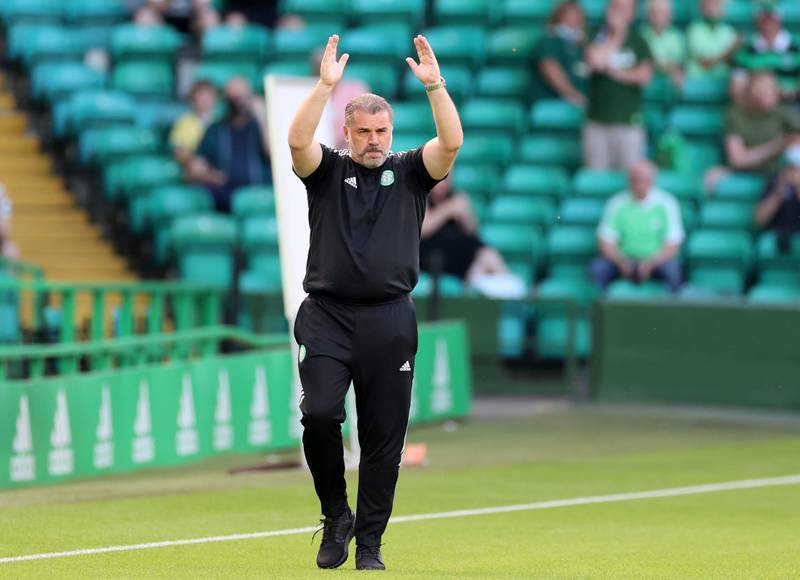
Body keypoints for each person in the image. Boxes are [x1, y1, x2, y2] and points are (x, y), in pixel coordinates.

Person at [287, 34, 462, 571]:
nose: (373, 140)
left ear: (391, 130)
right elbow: (296, 143)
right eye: (363, 132)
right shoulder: (327, 172)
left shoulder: (410, 171)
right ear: (347, 131)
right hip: (327, 317)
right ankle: (335, 515)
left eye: (381, 131)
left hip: (390, 320)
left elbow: (450, 143)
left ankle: (370, 545)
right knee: (319, 415)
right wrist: (323, 87)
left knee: (383, 440)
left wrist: (435, 86)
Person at [591, 160, 684, 293]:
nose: (639, 184)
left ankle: (674, 309)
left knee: (673, 270)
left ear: (652, 180)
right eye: (635, 179)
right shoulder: (616, 203)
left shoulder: (667, 203)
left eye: (643, 179)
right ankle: (601, 310)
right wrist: (621, 261)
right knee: (598, 268)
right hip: (624, 261)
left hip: (656, 262)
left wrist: (650, 263)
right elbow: (605, 241)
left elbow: (673, 244)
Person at [420, 178, 523, 297]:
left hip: (462, 252)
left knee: (487, 255)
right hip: (433, 255)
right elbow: (424, 229)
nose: (444, 183)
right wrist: (448, 210)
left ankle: (509, 286)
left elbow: (472, 230)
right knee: (479, 262)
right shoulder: (423, 196)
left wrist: (464, 213)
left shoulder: (457, 197)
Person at [583, 0, 653, 170]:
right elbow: (595, 61)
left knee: (629, 175)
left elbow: (644, 76)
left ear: (632, 13)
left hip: (628, 121)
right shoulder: (596, 35)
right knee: (595, 176)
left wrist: (615, 72)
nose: (619, 13)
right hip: (597, 121)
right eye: (616, 7)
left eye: (624, 9)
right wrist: (616, 36)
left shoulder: (638, 40)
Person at [187, 76, 271, 212]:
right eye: (235, 99)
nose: (240, 104)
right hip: (226, 196)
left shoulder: (261, 127)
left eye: (244, 97)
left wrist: (262, 116)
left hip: (259, 192)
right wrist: (210, 176)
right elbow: (194, 169)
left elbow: (273, 155)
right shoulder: (215, 129)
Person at [725, 71, 800, 175]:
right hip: (760, 172)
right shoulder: (736, 114)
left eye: (770, 90)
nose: (766, 96)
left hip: (783, 172)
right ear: (749, 92)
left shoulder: (782, 111)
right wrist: (776, 146)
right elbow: (737, 159)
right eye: (761, 91)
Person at [731, 6, 800, 103]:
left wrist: (787, 93)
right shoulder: (745, 50)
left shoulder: (796, 48)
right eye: (763, 20)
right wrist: (759, 94)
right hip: (755, 105)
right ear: (757, 21)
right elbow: (736, 88)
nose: (768, 24)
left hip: (791, 104)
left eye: (771, 19)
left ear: (779, 20)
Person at [530, 0, 588, 107]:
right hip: (551, 101)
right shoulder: (549, 41)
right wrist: (573, 95)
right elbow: (549, 67)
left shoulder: (581, 45)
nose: (573, 24)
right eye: (568, 19)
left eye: (577, 21)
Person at [754, 145, 800, 252]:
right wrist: (778, 193)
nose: (793, 172)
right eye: (790, 167)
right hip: (777, 237)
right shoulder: (775, 184)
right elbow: (759, 220)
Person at [686, 0, 739, 78]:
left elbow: (732, 61)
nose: (714, 8)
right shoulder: (694, 30)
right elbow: (705, 63)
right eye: (711, 4)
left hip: (724, 79)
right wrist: (731, 49)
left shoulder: (729, 31)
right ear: (702, 8)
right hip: (698, 79)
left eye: (718, 4)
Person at [169, 80, 218, 165]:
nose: (204, 99)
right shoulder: (183, 122)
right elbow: (179, 152)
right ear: (193, 98)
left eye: (207, 96)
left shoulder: (222, 122)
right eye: (201, 95)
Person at [640, 0, 686, 88]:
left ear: (670, 15)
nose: (658, 16)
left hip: (670, 84)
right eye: (654, 12)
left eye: (662, 12)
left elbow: (679, 64)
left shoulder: (676, 37)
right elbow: (643, 62)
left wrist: (660, 64)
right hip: (646, 83)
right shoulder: (641, 35)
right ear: (648, 14)